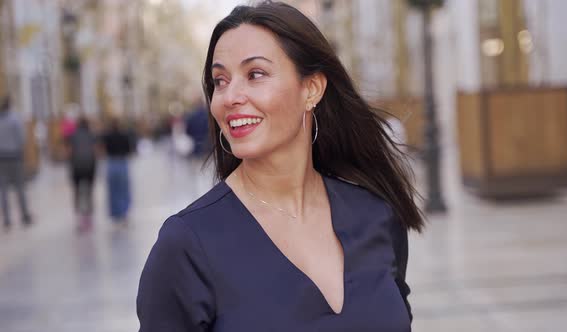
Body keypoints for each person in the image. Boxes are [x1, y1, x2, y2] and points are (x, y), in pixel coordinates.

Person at [137, 2, 424, 331]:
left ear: (312, 89)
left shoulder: (375, 214)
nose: (230, 96)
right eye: (220, 80)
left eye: (255, 74)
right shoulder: (186, 245)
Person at [0, 97, 32, 230]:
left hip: (2, 157)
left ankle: (7, 219)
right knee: (20, 187)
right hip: (15, 157)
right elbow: (22, 138)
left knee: (4, 190)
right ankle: (24, 215)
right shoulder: (15, 119)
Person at [65, 117, 98, 231]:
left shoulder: (73, 136)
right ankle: (89, 217)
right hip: (89, 166)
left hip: (77, 167)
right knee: (89, 191)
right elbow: (95, 150)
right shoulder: (91, 134)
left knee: (77, 192)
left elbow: (69, 152)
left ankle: (79, 218)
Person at [101, 118, 133, 224]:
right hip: (122, 163)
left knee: (113, 190)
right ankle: (124, 213)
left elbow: (103, 149)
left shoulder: (107, 136)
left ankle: (116, 214)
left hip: (112, 163)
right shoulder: (124, 135)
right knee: (123, 189)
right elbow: (129, 150)